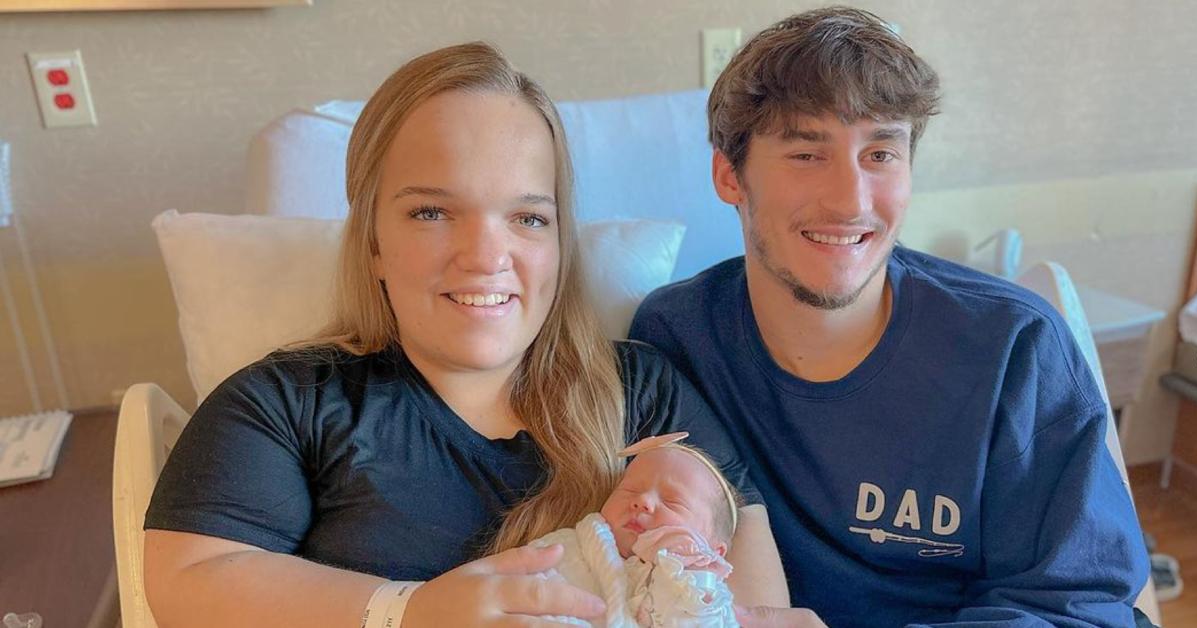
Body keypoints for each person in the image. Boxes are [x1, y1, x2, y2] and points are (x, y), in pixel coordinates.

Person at [141, 42, 787, 628]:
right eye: (432, 212)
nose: (485, 255)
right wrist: (410, 612)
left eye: (528, 218)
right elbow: (185, 577)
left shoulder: (643, 395)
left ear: (560, 241)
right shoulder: (292, 403)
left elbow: (748, 579)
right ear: (371, 240)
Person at [629, 7, 1149, 627]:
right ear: (729, 175)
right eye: (805, 154)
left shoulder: (1013, 349)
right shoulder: (677, 338)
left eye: (880, 153)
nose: (851, 200)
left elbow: (1084, 611)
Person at [527, 433, 742, 626]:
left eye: (672, 501)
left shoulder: (709, 602)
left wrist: (688, 574)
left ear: (714, 552)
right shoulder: (569, 546)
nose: (643, 501)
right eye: (630, 490)